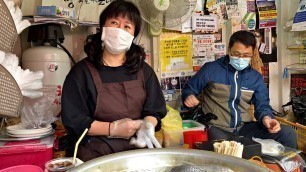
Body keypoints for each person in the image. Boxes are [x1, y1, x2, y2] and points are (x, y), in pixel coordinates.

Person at [61, 0, 167, 161]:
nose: (119, 30)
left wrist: (148, 125)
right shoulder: (81, 73)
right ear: (103, 28)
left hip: (136, 152)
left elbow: (154, 111)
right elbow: (74, 119)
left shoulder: (144, 71)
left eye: (127, 26)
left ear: (133, 35)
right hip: (95, 152)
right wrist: (112, 128)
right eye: (114, 22)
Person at [182, 30, 297, 149]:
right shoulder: (211, 69)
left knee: (287, 133)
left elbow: (262, 105)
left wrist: (267, 118)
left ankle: (288, 166)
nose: (241, 58)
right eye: (236, 54)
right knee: (228, 150)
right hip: (216, 127)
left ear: (253, 53)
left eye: (246, 55)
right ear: (229, 50)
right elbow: (189, 89)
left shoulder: (255, 77)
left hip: (244, 128)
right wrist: (189, 96)